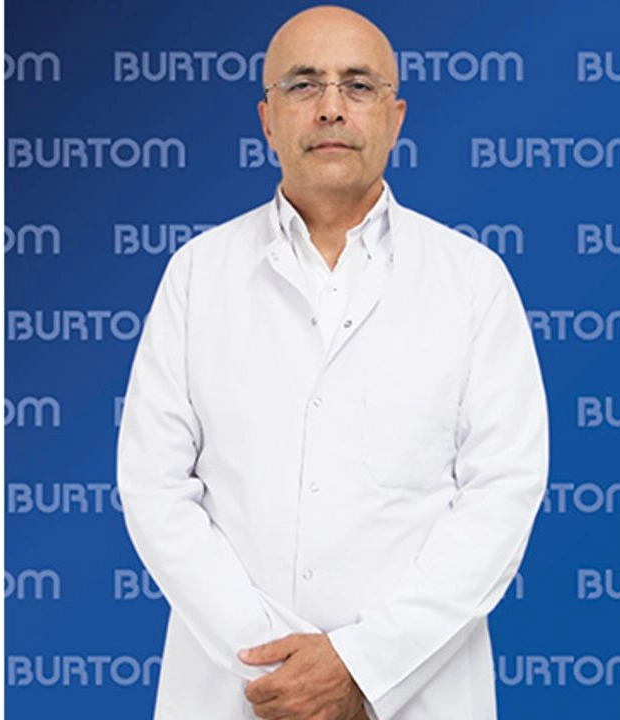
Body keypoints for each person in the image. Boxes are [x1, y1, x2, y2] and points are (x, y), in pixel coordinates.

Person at [116, 5, 548, 719]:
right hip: (236, 690)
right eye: (303, 84)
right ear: (267, 119)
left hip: (415, 692)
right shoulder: (198, 274)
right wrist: (277, 666)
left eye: (358, 85)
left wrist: (363, 666)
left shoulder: (473, 280)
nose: (331, 108)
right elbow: (154, 487)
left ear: (395, 117)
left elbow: (502, 493)